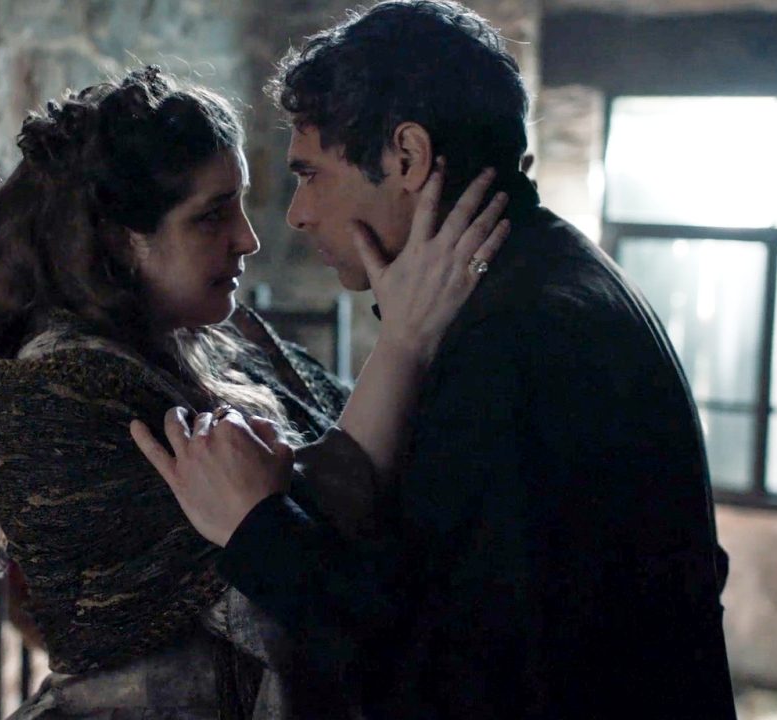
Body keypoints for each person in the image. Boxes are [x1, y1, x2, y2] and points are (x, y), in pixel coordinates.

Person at [131, 2, 738, 718]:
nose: (295, 214)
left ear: (407, 157)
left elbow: (448, 673)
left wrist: (258, 530)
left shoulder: (514, 338)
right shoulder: (545, 276)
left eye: (311, 173)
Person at [0, 65, 507, 718]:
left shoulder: (219, 337)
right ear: (120, 241)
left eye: (239, 204)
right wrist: (403, 341)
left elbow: (337, 465)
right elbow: (309, 566)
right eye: (212, 216)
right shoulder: (67, 398)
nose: (249, 239)